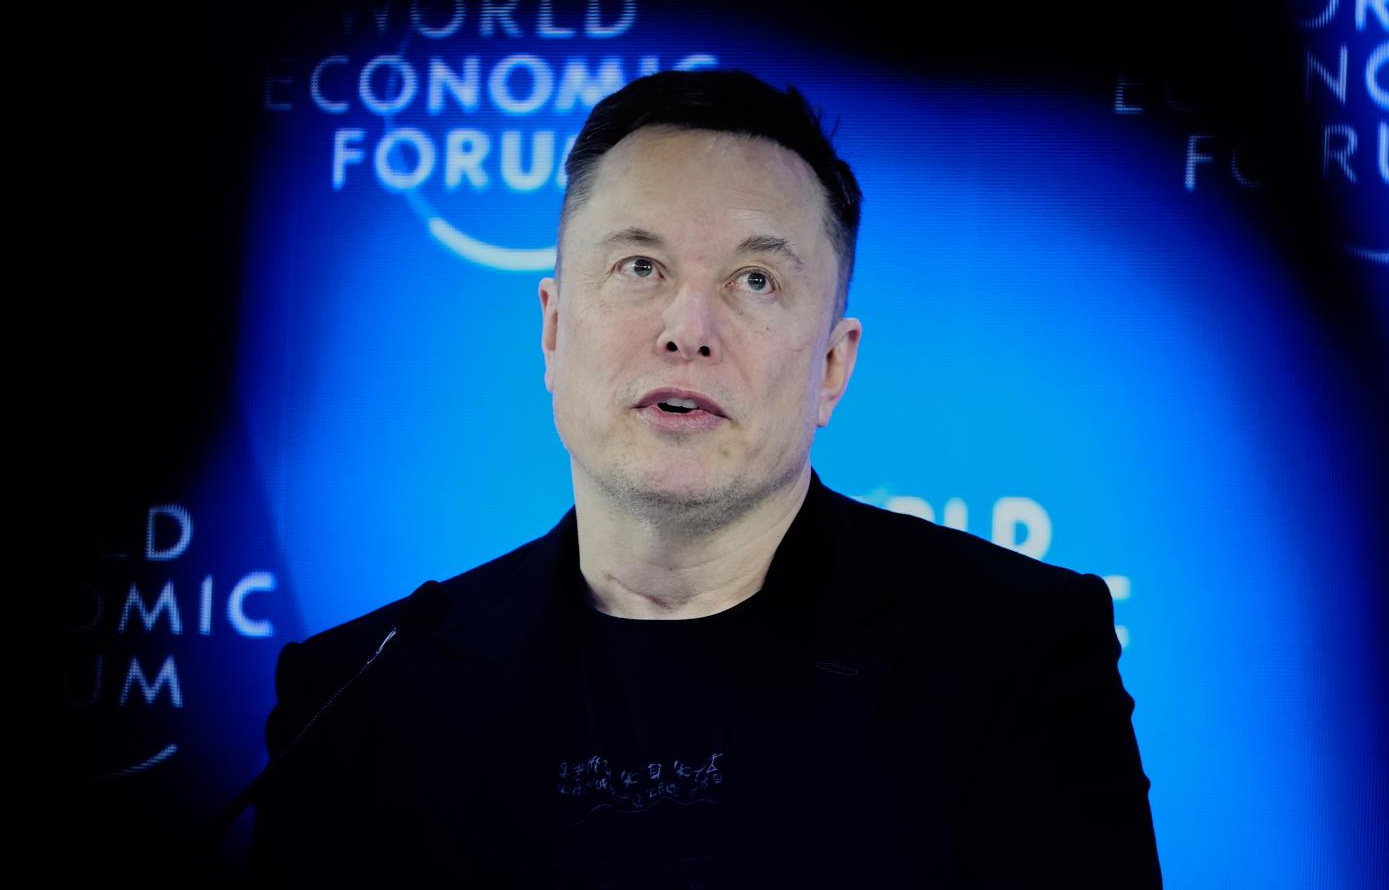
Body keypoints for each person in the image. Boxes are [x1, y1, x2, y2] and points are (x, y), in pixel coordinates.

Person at [248, 69, 1161, 887]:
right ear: (553, 331)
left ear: (833, 368)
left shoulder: (1015, 658)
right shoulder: (358, 697)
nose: (688, 330)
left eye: (754, 280)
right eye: (640, 267)